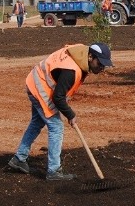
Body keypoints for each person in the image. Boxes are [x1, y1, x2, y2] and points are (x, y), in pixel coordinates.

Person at [8, 42, 114, 181]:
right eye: (100, 63)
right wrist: (70, 114)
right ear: (90, 57)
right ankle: (53, 171)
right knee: (56, 127)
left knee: (37, 122)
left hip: (35, 81)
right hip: (40, 87)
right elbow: (58, 98)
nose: (102, 68)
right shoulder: (71, 71)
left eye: (104, 65)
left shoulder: (79, 55)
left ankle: (19, 159)